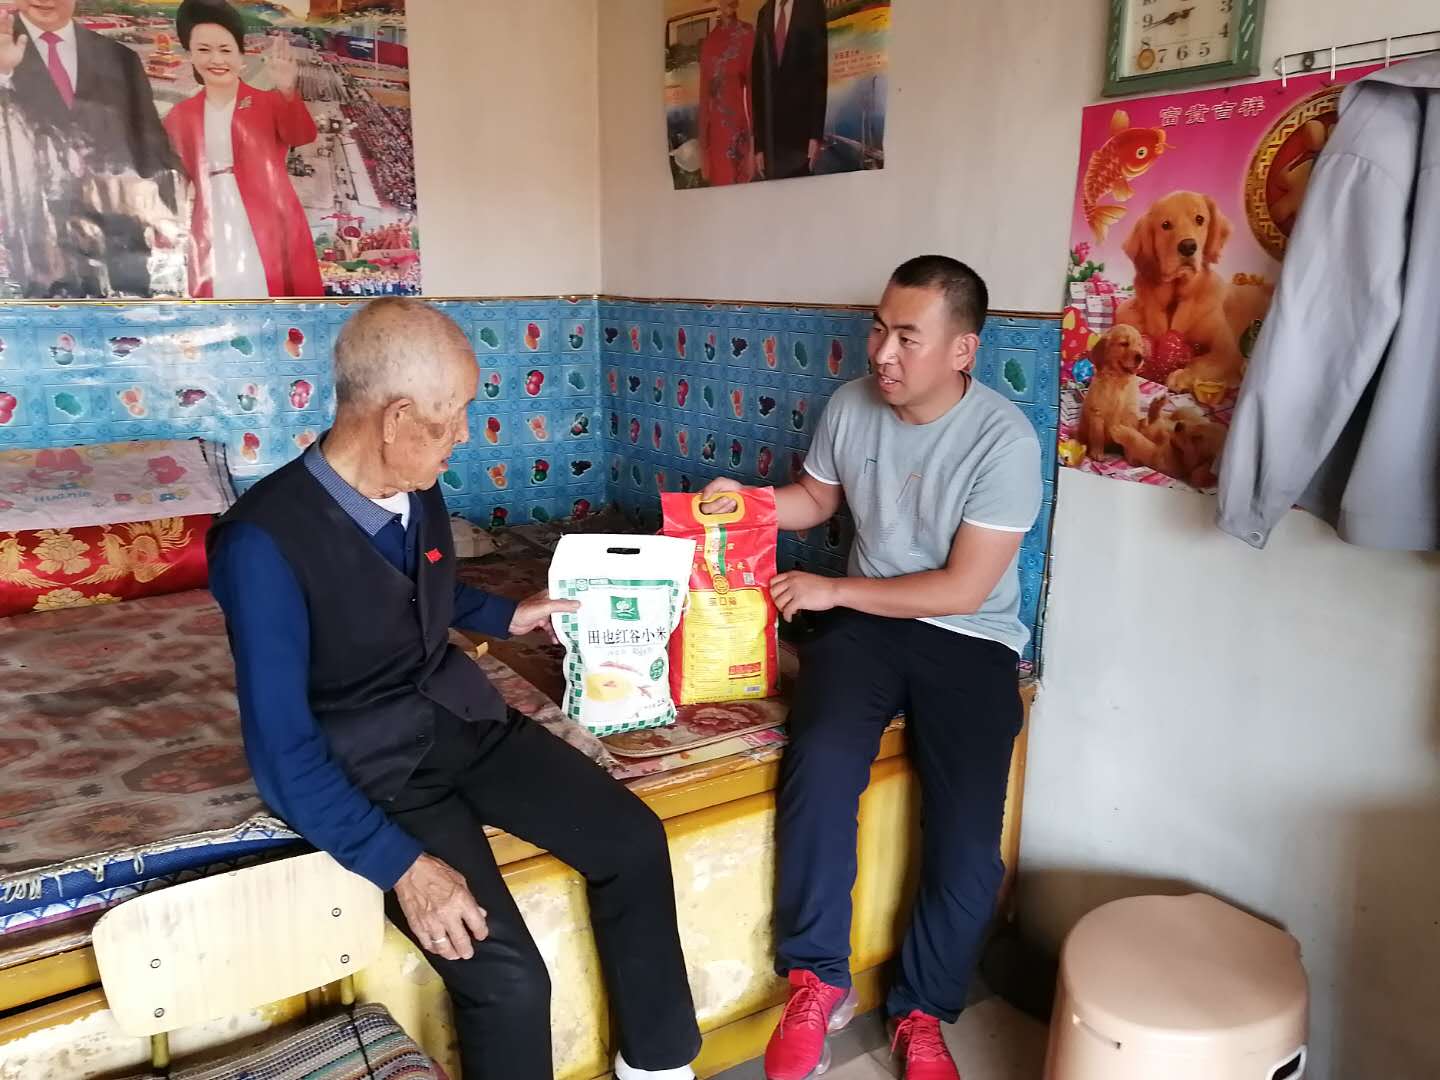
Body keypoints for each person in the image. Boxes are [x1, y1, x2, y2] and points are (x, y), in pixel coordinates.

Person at [208, 299, 701, 1080]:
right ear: (397, 418)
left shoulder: (417, 484)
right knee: (508, 981)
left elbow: (421, 589)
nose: (465, 434)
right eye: (455, 414)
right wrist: (402, 866)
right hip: (376, 771)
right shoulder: (261, 543)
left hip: (463, 718)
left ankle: (658, 1065)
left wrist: (507, 613)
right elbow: (282, 755)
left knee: (633, 842)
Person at [699, 257, 1042, 1080]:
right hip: (867, 630)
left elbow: (963, 589)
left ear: (962, 349)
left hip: (971, 639)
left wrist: (831, 589)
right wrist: (745, 503)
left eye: (907, 338)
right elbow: (815, 501)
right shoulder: (852, 404)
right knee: (819, 763)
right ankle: (818, 981)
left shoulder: (1004, 440)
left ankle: (922, 1012)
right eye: (879, 329)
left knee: (968, 845)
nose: (883, 353)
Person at [0, 0, 183, 296]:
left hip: (122, 241)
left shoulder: (120, 58)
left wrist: (173, 217)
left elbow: (152, 142)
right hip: (38, 242)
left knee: (129, 321)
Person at [163, 0, 323, 297]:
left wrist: (287, 89)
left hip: (271, 217)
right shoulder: (180, 116)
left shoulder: (269, 101)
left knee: (271, 291)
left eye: (225, 50)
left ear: (241, 55)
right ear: (190, 54)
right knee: (218, 295)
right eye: (203, 50)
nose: (216, 59)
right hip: (210, 218)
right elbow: (172, 182)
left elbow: (302, 135)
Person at [749, 0, 828, 180]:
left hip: (801, 137)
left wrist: (816, 135)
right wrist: (759, 146)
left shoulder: (812, 6)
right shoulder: (764, 13)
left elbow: (819, 73)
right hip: (771, 141)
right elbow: (758, 82)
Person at [697, 0, 755, 186]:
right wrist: (703, 150)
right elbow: (704, 98)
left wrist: (755, 145)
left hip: (741, 132)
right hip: (716, 138)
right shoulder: (709, 42)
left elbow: (754, 94)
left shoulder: (748, 35)